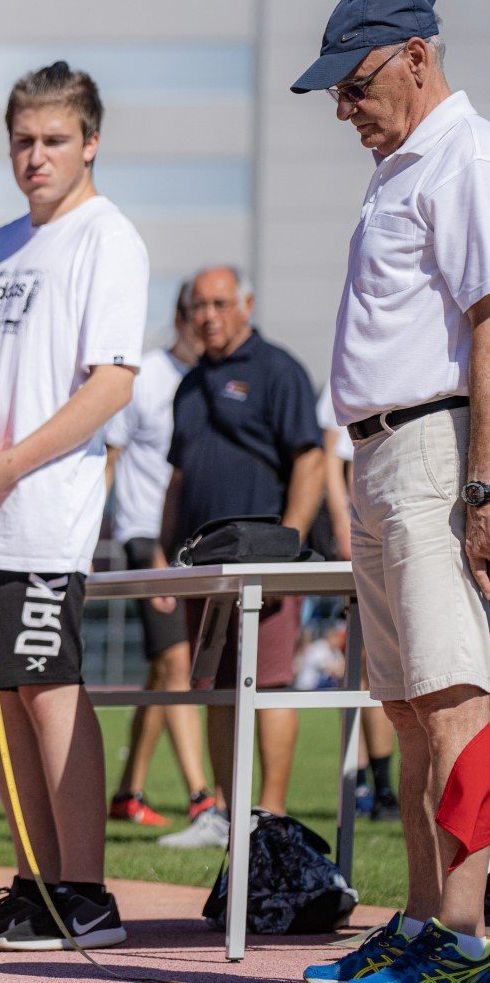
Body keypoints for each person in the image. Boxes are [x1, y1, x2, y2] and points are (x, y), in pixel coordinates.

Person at [292, 0, 490, 982]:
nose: (344, 108)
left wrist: (484, 487)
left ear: (417, 57)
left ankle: (464, 934)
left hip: (434, 448)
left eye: (355, 85)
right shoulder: (400, 163)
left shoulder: (462, 154)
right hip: (379, 453)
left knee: (454, 700)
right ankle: (418, 923)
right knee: (407, 709)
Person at [0, 62, 145, 952]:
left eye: (55, 140)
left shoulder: (107, 238)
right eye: (22, 141)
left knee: (48, 692)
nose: (36, 157)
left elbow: (112, 384)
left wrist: (10, 466)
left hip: (43, 511)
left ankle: (86, 895)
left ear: (90, 143)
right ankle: (35, 888)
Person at [154, 265, 323, 850]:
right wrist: (164, 554)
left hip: (263, 562)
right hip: (204, 565)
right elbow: (178, 477)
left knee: (268, 685)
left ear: (246, 305)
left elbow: (310, 461)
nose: (208, 316)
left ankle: (270, 818)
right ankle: (227, 815)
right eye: (198, 305)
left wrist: (285, 551)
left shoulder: (278, 370)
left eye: (220, 303)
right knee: (218, 687)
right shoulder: (189, 385)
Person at [102, 287, 213, 828]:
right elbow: (109, 457)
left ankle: (128, 793)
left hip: (194, 539)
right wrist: (88, 540)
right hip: (145, 537)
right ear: (179, 317)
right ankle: (202, 798)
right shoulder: (146, 375)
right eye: (197, 313)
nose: (206, 324)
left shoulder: (212, 380)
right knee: (176, 663)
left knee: (161, 669)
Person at [317, 382, 400, 823]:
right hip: (364, 527)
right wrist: (341, 524)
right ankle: (371, 784)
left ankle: (376, 784)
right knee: (363, 660)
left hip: (393, 514)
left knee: (380, 661)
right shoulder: (346, 374)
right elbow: (331, 459)